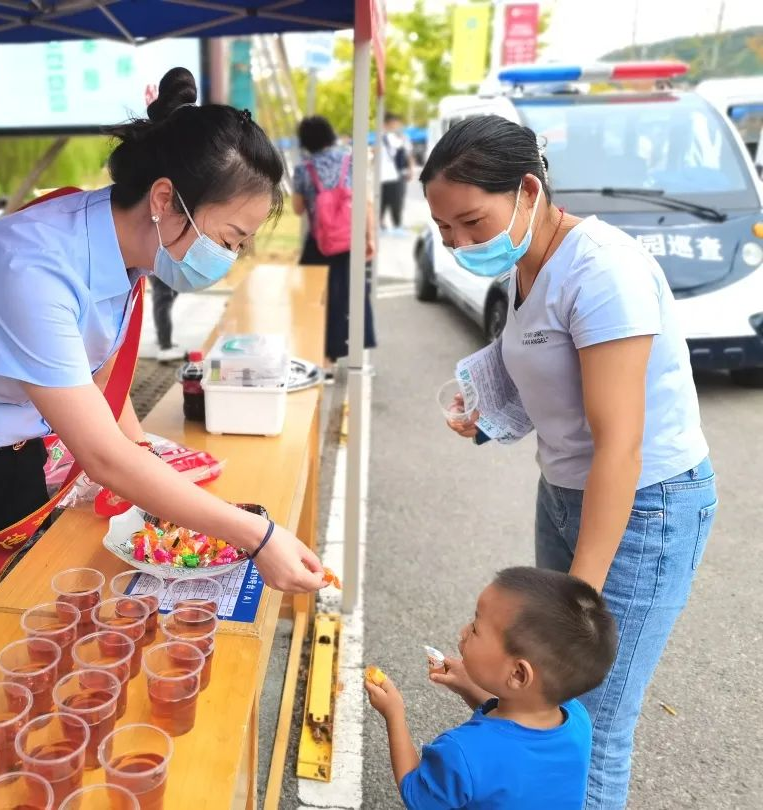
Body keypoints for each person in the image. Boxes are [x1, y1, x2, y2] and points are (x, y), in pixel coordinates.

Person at [0, 67, 327, 737]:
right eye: (229, 239)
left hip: (7, 455)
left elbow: (100, 374)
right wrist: (256, 535)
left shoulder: (123, 244)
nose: (230, 258)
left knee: (3, 632)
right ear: (165, 198)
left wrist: (146, 449)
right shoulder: (33, 263)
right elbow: (99, 454)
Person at [424, 116, 716, 810]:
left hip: (642, 504)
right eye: (445, 231)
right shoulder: (530, 261)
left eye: (472, 221)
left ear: (528, 189)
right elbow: (550, 375)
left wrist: (572, 607)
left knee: (591, 721)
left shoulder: (602, 270)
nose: (462, 244)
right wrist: (487, 421)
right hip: (564, 492)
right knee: (545, 705)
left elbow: (621, 444)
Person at [366, 567, 618, 809]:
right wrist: (468, 687)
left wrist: (394, 714)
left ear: (518, 674)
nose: (464, 631)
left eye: (475, 628)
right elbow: (516, 731)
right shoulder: (576, 718)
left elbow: (416, 793)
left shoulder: (462, 753)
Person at [292, 115, 376, 365]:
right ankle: (357, 356)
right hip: (350, 239)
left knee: (315, 297)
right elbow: (366, 202)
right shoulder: (351, 161)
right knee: (352, 294)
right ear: (330, 134)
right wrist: (369, 237)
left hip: (319, 243)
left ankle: (323, 358)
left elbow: (297, 209)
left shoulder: (304, 168)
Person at [379, 112, 415, 233]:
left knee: (397, 200)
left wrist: (411, 170)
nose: (396, 126)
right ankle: (380, 223)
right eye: (393, 124)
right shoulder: (381, 138)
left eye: (397, 124)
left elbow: (409, 155)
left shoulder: (404, 138)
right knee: (382, 200)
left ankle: (397, 225)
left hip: (398, 174)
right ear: (386, 124)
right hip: (383, 175)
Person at [150, 276, 182, 362]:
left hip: (164, 268)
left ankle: (162, 338)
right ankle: (165, 348)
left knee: (165, 297)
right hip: (163, 268)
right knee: (164, 300)